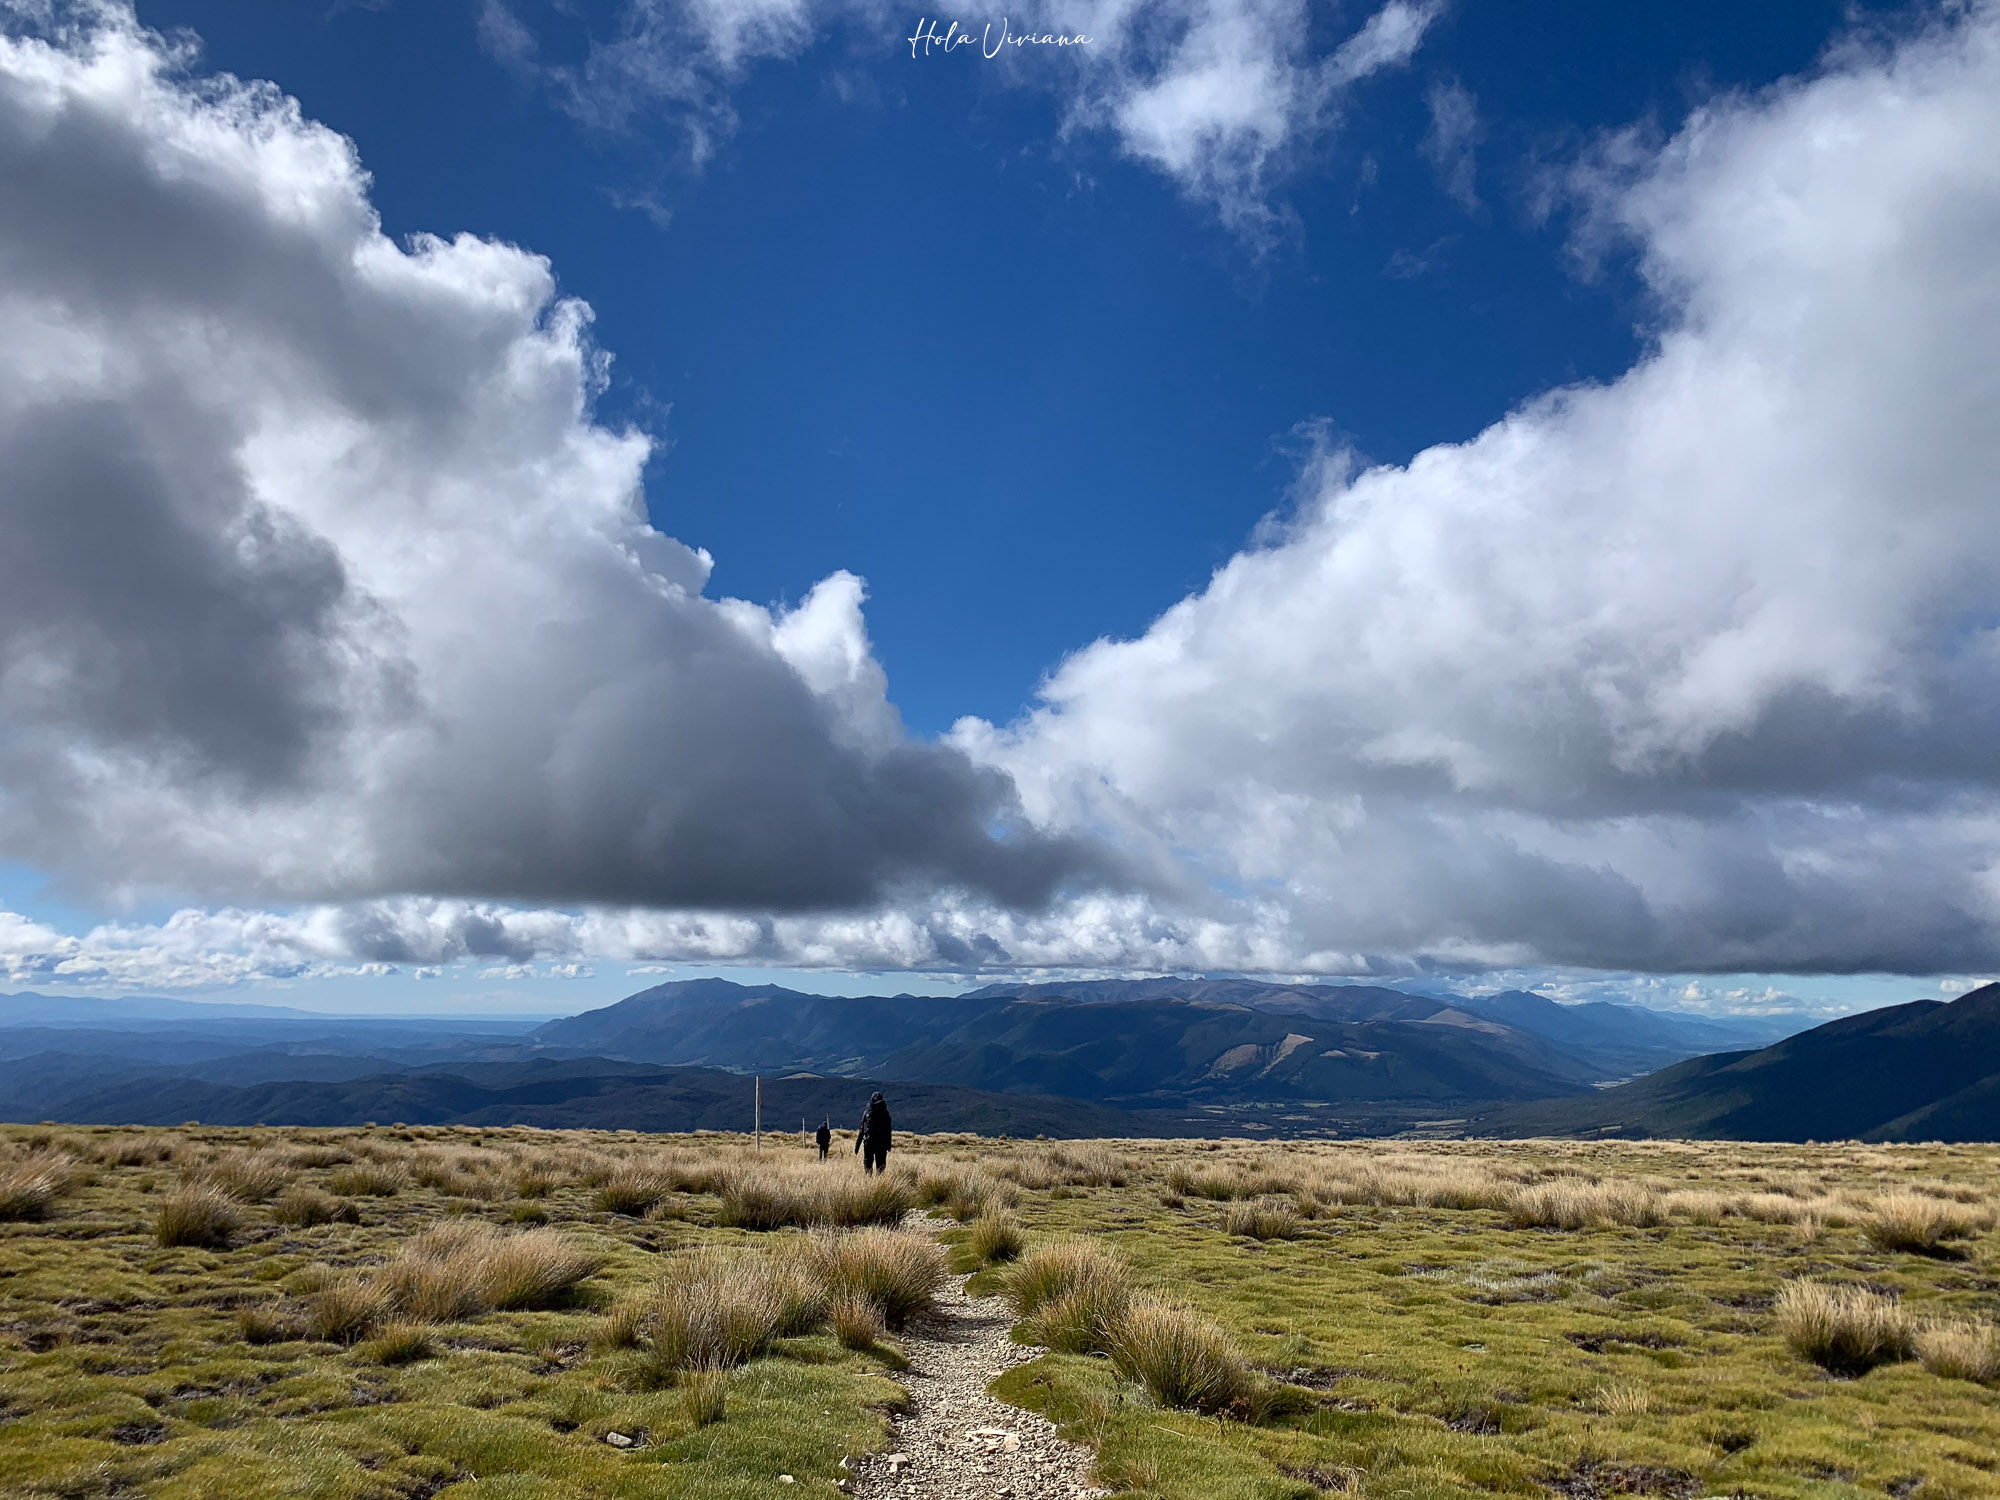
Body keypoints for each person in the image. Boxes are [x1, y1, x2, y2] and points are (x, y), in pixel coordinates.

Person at [854, 1092, 892, 1175]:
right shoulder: (885, 1113)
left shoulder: (867, 1112)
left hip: (868, 1141)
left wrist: (857, 1146)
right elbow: (888, 1131)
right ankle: (879, 1180)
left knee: (868, 1162)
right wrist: (889, 1145)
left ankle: (869, 1179)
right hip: (881, 1143)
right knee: (881, 1164)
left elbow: (862, 1130)